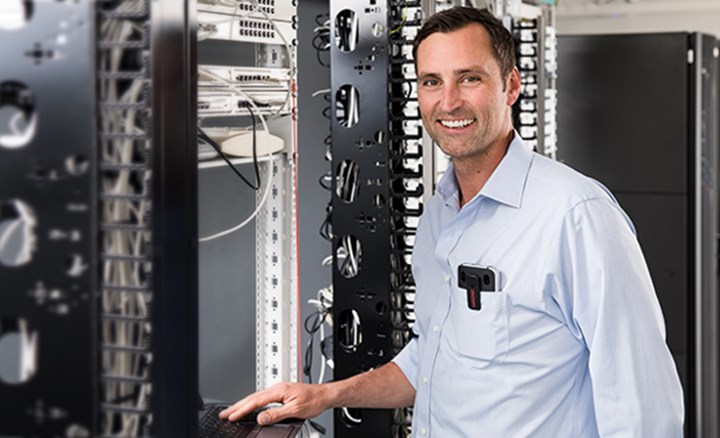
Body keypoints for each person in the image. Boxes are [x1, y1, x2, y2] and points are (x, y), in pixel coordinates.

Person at [220, 6, 684, 436]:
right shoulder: (440, 214)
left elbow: (644, 407)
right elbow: (433, 360)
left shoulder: (574, 215)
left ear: (512, 86)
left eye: (469, 79)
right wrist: (325, 394)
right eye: (431, 81)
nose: (449, 102)